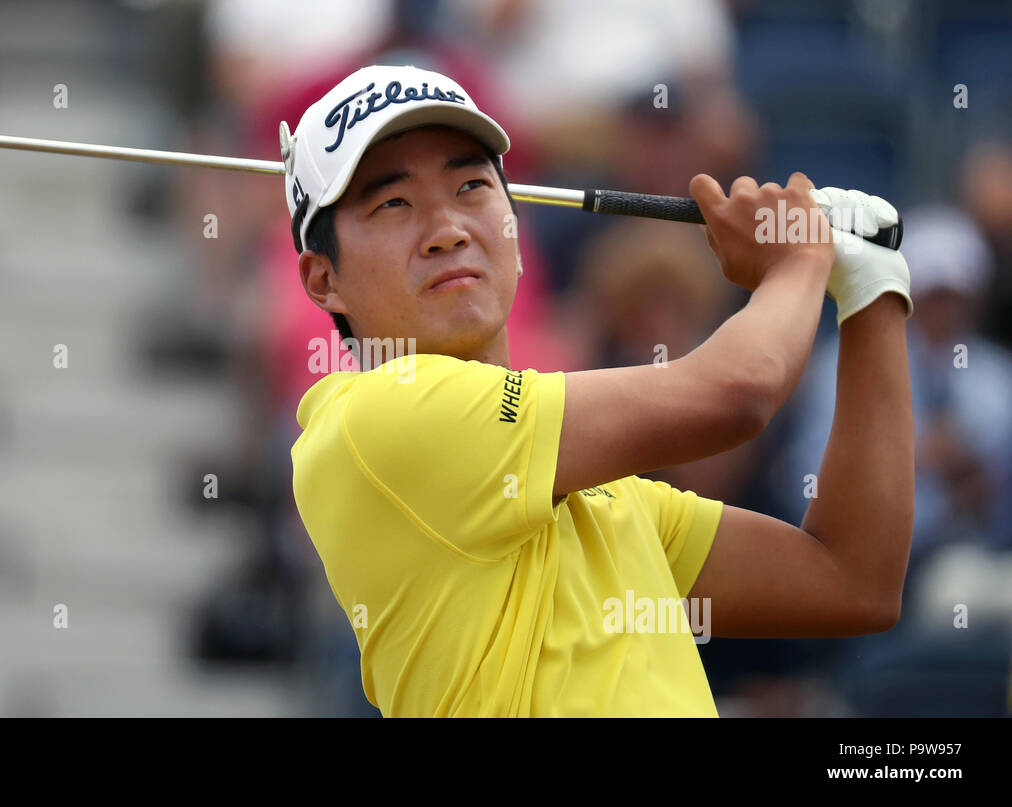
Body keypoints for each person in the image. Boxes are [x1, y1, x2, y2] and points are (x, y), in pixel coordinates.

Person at [283, 64, 915, 717]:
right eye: (393, 203)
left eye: (472, 186)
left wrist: (873, 294)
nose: (448, 228)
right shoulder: (372, 417)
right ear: (323, 279)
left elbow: (853, 580)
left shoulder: (600, 490)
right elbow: (738, 392)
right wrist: (799, 262)